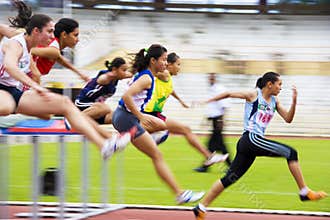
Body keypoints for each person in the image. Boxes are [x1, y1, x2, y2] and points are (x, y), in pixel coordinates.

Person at [0, 1, 132, 160]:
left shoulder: (34, 44)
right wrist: (36, 84)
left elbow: (58, 58)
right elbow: (10, 67)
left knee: (63, 103)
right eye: (49, 32)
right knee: (7, 107)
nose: (51, 35)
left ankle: (104, 145)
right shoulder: (17, 43)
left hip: (14, 90)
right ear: (36, 31)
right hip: (6, 89)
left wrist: (76, 73)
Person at [193, 72, 327, 220]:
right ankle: (304, 191)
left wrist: (294, 102)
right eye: (279, 84)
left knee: (229, 178)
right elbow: (229, 93)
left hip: (250, 144)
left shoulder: (275, 101)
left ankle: (201, 208)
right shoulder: (253, 94)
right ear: (269, 84)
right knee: (291, 153)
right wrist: (207, 101)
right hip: (250, 138)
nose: (281, 88)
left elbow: (288, 119)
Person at [110, 44, 205, 204]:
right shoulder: (146, 78)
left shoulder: (148, 75)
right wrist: (140, 116)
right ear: (153, 61)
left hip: (125, 116)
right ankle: (180, 194)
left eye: (167, 60)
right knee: (157, 155)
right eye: (163, 60)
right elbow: (127, 96)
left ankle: (127, 138)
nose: (166, 63)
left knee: (162, 126)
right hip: (126, 117)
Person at [143, 53, 228, 168]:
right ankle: (152, 136)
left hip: (155, 114)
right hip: (149, 114)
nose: (180, 67)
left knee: (184, 130)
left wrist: (180, 101)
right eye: (178, 64)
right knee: (178, 130)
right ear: (169, 65)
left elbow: (170, 90)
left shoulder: (168, 78)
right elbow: (152, 72)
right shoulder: (165, 73)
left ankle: (209, 157)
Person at [0, 2, 89, 83]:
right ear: (64, 34)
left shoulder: (54, 49)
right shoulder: (50, 47)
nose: (78, 40)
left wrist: (79, 73)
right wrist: (35, 73)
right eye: (75, 35)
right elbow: (30, 51)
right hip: (14, 82)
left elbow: (60, 59)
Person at [75, 57, 132, 125]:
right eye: (123, 70)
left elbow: (130, 74)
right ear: (114, 69)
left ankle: (88, 124)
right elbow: (105, 77)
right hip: (82, 103)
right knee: (105, 108)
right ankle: (74, 119)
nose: (125, 73)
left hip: (95, 107)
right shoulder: (105, 78)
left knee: (114, 117)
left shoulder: (116, 76)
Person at [194, 73, 232, 173]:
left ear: (215, 79)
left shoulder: (219, 89)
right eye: (209, 78)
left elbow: (224, 105)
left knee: (212, 145)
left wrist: (221, 120)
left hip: (218, 120)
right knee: (219, 145)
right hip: (214, 120)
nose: (209, 80)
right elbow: (212, 107)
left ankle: (205, 167)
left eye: (211, 78)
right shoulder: (211, 89)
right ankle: (231, 167)